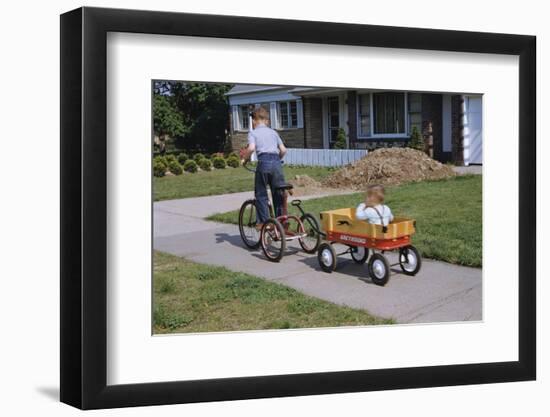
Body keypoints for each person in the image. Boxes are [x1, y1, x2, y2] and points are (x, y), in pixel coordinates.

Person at [240, 107, 287, 228]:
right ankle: (281, 222)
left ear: (255, 120)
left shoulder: (253, 133)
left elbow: (251, 148)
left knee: (261, 194)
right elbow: (283, 150)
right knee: (278, 193)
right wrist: (277, 160)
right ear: (266, 120)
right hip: (276, 163)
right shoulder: (273, 132)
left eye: (252, 122)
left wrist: (244, 159)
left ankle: (264, 223)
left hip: (264, 163)